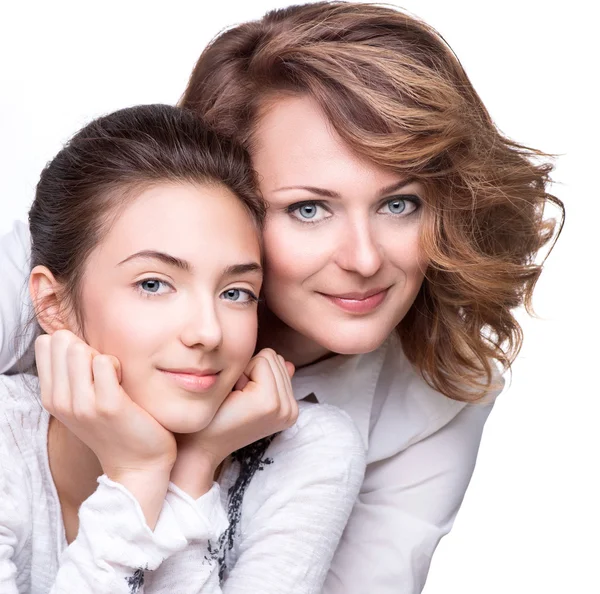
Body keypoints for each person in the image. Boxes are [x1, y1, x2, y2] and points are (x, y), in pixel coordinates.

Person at [0, 2, 564, 592]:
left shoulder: (416, 403)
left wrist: (183, 472)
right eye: (309, 209)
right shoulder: (53, 269)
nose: (365, 259)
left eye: (399, 203)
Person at [0, 104, 365, 593]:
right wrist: (136, 478)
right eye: (154, 284)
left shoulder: (307, 452)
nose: (208, 333)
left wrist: (191, 471)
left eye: (236, 292)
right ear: (52, 302)